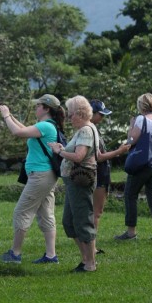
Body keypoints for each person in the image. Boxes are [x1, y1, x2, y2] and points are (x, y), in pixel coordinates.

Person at [0, 94, 66, 264]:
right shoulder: (46, 126)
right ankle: (51, 256)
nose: (36, 108)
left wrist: (6, 115)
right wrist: (11, 116)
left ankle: (15, 254)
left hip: (40, 176)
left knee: (22, 211)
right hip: (46, 176)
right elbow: (25, 129)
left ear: (46, 109)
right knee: (46, 214)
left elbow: (17, 132)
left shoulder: (45, 126)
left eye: (38, 106)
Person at [49, 95, 99, 273]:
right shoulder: (85, 129)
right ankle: (86, 258)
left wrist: (59, 151)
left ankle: (90, 263)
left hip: (80, 181)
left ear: (80, 113)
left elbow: (79, 156)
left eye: (70, 115)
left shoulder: (85, 130)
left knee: (83, 221)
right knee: (69, 222)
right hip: (73, 181)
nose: (69, 119)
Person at [115, 93, 152, 240]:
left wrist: (131, 125)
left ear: (141, 105)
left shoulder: (141, 119)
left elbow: (131, 140)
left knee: (130, 194)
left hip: (144, 164)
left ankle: (131, 232)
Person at [89, 99, 131, 253]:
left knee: (94, 212)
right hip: (99, 174)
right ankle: (91, 246)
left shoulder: (92, 128)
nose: (102, 118)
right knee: (96, 212)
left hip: (100, 174)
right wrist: (119, 152)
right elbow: (99, 157)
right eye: (100, 114)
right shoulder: (91, 129)